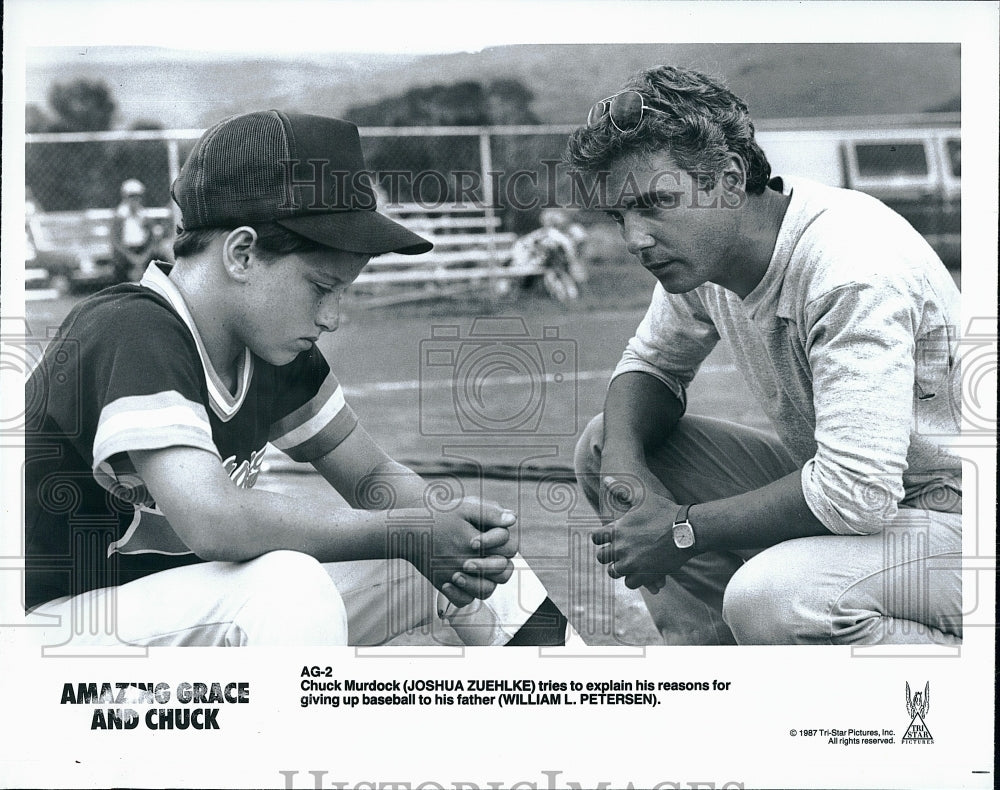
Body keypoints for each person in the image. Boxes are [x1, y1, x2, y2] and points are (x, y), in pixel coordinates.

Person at [24, 110, 580, 648]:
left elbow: (372, 477)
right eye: (321, 287)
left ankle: (579, 700)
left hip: (189, 617)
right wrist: (410, 531)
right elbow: (214, 520)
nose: (333, 317)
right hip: (56, 632)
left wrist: (447, 529)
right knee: (290, 586)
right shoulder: (131, 327)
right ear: (242, 253)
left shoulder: (274, 350)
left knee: (445, 557)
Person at [567, 66, 962, 646]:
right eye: (619, 216)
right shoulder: (708, 252)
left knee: (776, 597)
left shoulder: (851, 268)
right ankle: (710, 664)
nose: (635, 239)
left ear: (728, 180)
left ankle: (949, 706)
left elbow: (857, 494)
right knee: (604, 443)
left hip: (960, 518)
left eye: (655, 204)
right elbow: (651, 364)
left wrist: (679, 530)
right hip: (873, 497)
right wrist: (626, 464)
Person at [507, 208, 589, 301]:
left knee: (557, 274)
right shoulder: (541, 234)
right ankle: (564, 295)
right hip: (537, 263)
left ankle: (568, 295)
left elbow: (568, 251)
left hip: (555, 264)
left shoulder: (558, 235)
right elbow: (523, 248)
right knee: (551, 274)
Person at [110, 178, 161, 283]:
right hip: (126, 253)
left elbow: (153, 238)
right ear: (125, 197)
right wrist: (132, 258)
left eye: (137, 197)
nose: (135, 201)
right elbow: (116, 241)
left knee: (159, 260)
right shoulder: (120, 216)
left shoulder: (144, 215)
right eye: (131, 197)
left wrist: (144, 256)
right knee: (120, 267)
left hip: (142, 251)